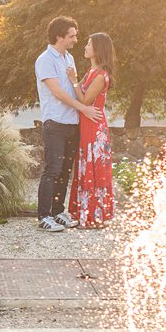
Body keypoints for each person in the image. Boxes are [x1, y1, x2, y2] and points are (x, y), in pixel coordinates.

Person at [34, 16, 100, 233]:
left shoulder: (69, 58)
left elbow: (72, 87)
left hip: (72, 122)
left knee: (64, 171)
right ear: (59, 36)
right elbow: (58, 92)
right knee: (52, 169)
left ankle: (57, 212)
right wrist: (83, 108)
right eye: (71, 35)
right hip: (55, 122)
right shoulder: (45, 59)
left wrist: (87, 81)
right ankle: (44, 216)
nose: (75, 39)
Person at [68, 32, 116, 228]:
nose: (85, 47)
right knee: (86, 166)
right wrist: (76, 81)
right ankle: (86, 212)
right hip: (86, 123)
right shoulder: (90, 72)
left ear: (98, 49)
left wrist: (73, 80)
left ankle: (95, 215)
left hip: (95, 127)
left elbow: (85, 100)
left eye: (88, 44)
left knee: (94, 168)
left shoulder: (101, 75)